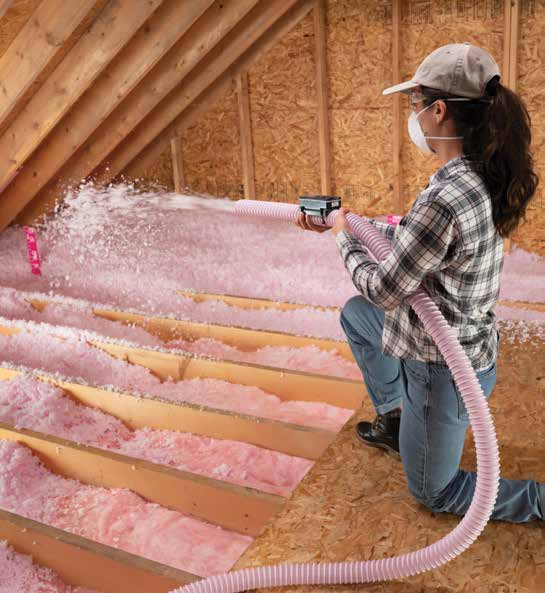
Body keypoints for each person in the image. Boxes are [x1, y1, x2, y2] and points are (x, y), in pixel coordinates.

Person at [296, 43, 543, 522]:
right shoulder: (476, 174)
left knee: (437, 493)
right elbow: (416, 240)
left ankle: (539, 502)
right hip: (463, 346)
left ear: (439, 110)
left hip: (442, 369)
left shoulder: (447, 196)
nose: (412, 117)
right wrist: (351, 221)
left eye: (415, 106)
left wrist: (345, 238)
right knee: (356, 316)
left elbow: (385, 289)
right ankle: (397, 416)